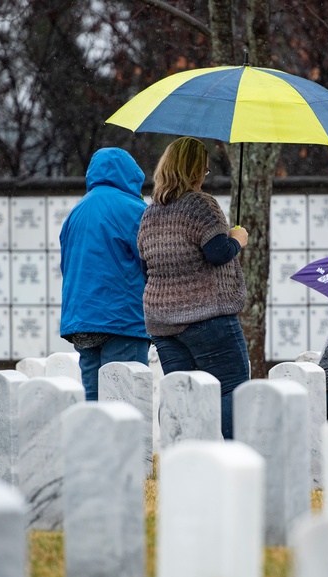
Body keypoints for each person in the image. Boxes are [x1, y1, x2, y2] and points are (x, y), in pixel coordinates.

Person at [138, 136, 249, 439]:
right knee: (231, 388)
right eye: (205, 170)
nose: (205, 176)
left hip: (162, 323)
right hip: (206, 317)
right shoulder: (200, 205)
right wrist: (237, 238)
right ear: (195, 170)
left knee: (180, 394)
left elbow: (145, 264)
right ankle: (227, 457)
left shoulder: (150, 214)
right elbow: (217, 253)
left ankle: (183, 459)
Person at [60, 147, 150, 401]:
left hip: (81, 319)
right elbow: (149, 261)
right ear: (131, 174)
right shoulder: (132, 209)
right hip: (121, 319)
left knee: (95, 402)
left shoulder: (76, 212)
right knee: (125, 402)